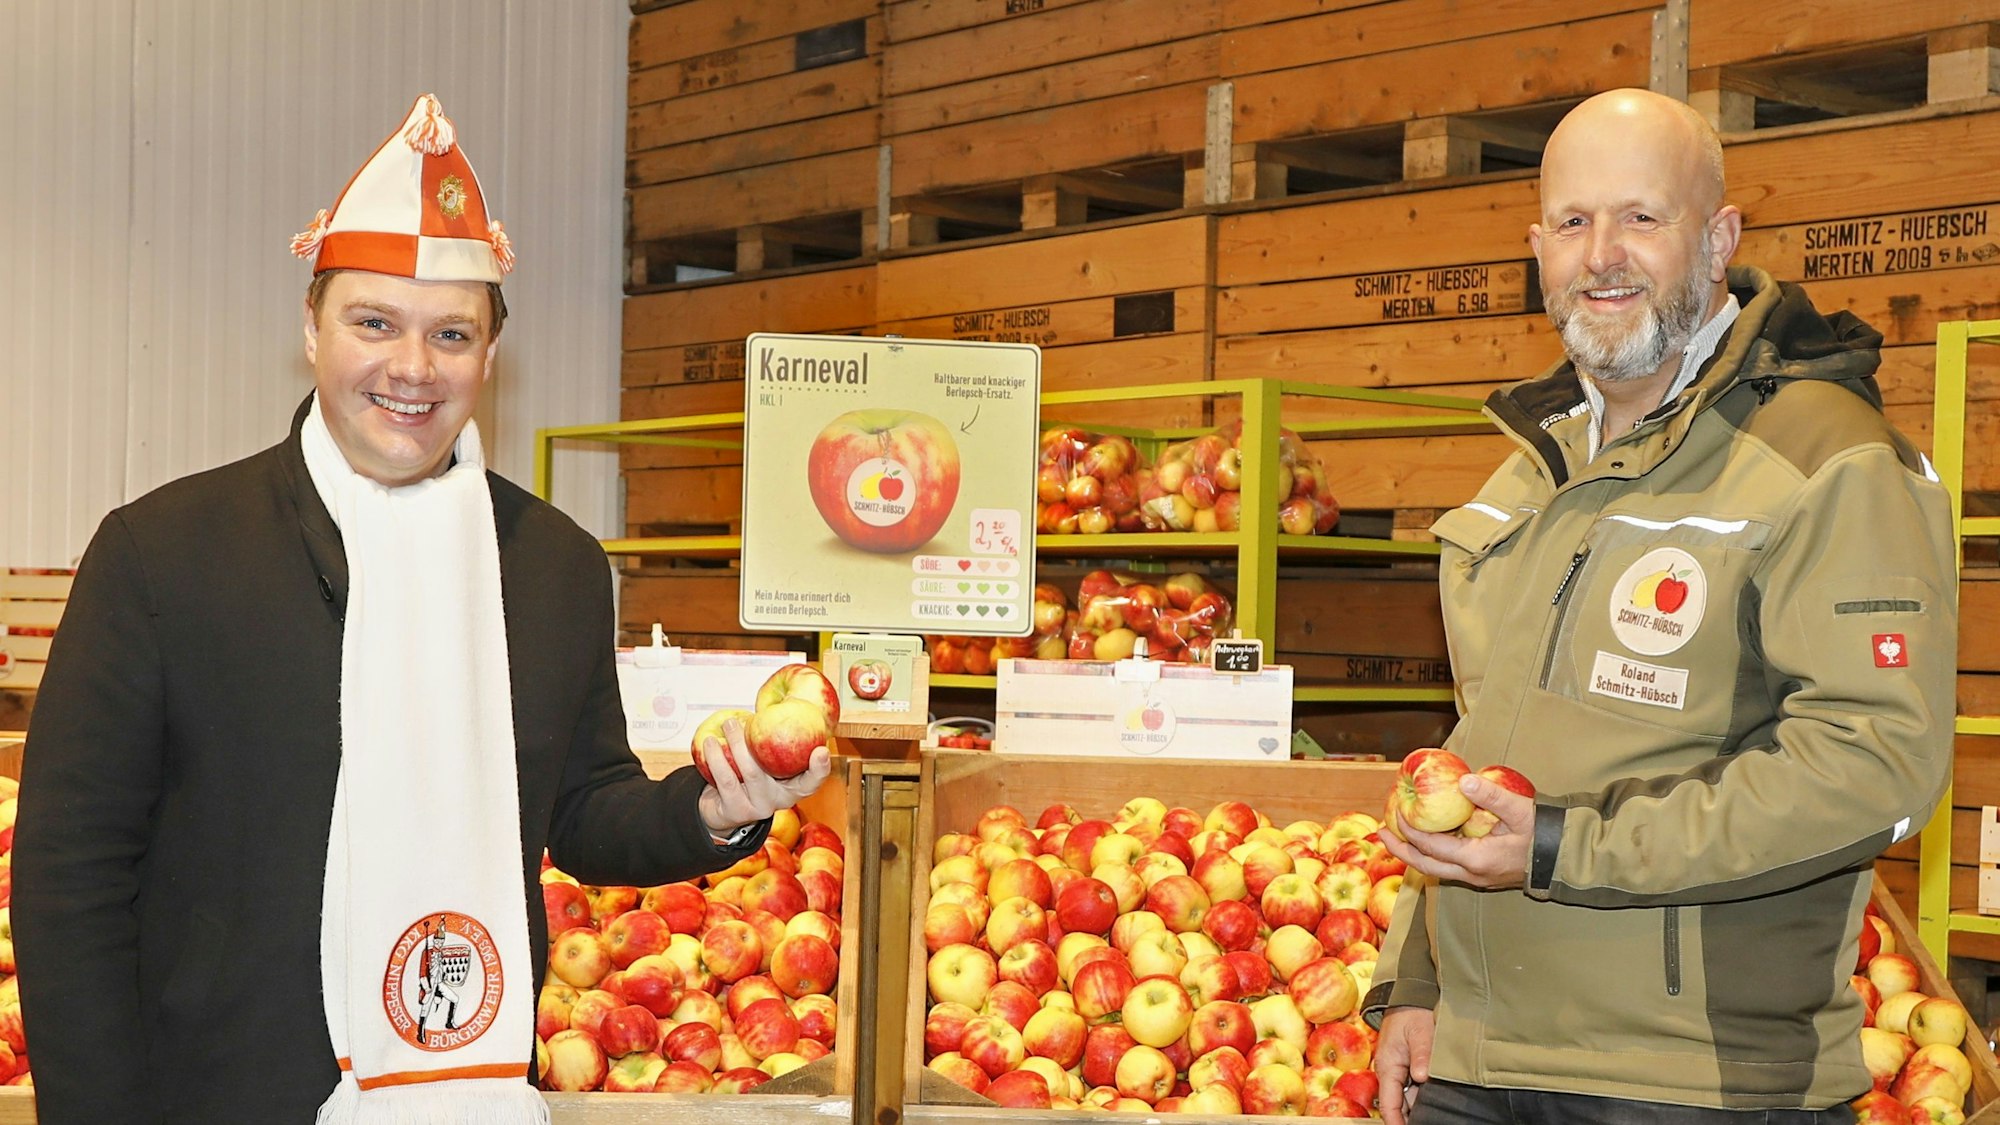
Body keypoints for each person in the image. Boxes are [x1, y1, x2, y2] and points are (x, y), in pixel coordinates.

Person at [13, 94, 831, 1123]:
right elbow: (69, 875)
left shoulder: (550, 567)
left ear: (489, 356)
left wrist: (716, 809)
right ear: (311, 329)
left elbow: (580, 808)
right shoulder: (163, 556)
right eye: (373, 323)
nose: (412, 368)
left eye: (451, 333)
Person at [1367, 88, 1958, 1124]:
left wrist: (1560, 846)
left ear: (1717, 237)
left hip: (1687, 1083)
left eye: (1641, 218)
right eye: (1570, 222)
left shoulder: (1826, 459)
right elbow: (1485, 744)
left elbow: (1875, 767)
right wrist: (1418, 981)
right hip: (1475, 1063)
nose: (1601, 255)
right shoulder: (1527, 472)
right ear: (1536, 246)